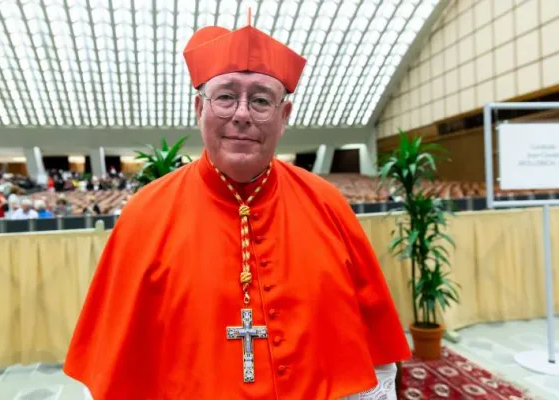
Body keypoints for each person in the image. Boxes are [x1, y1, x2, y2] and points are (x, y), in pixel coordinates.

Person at [63, 17, 411, 400]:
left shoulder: (327, 204)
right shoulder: (145, 213)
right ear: (199, 109)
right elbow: (112, 373)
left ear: (284, 118)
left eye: (261, 100)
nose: (242, 114)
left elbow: (374, 362)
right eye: (226, 97)